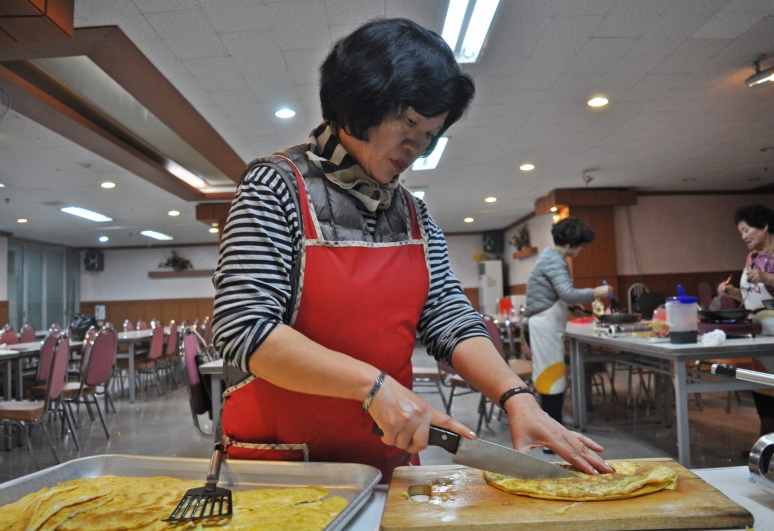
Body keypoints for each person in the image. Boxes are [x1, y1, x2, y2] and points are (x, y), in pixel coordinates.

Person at [213, 17, 612, 482]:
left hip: (388, 461)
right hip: (283, 467)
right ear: (360, 101)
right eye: (409, 123)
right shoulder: (273, 186)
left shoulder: (414, 214)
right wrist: (373, 387)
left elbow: (448, 316)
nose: (417, 147)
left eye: (430, 134)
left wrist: (516, 397)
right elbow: (244, 327)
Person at [525, 218, 612, 433]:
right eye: (581, 245)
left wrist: (572, 308)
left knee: (551, 379)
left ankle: (553, 432)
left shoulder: (550, 257)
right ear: (570, 243)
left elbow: (554, 294)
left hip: (543, 325)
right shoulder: (554, 260)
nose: (582, 249)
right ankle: (552, 435)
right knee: (551, 382)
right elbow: (567, 293)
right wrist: (595, 292)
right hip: (544, 326)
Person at [717, 203, 774, 437]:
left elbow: (765, 285)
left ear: (765, 227)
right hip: (759, 335)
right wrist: (733, 293)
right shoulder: (751, 257)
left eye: (747, 229)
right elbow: (752, 297)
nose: (743, 236)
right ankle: (767, 450)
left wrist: (766, 277)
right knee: (764, 394)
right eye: (740, 232)